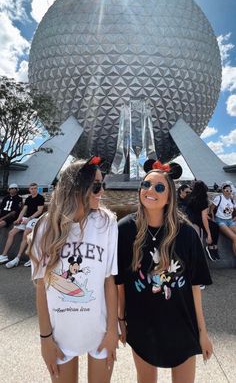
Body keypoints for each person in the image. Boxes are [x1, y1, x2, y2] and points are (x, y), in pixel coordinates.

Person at [116, 159, 213, 383]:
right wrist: (120, 320)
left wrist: (202, 332)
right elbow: (119, 281)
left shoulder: (187, 233)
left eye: (159, 187)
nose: (150, 191)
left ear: (170, 196)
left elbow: (195, 286)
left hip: (182, 324)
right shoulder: (124, 230)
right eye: (146, 185)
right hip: (142, 324)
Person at [28, 157, 118, 383]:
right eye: (96, 186)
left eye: (102, 184)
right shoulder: (45, 227)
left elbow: (109, 280)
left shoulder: (107, 222)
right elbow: (41, 286)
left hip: (99, 331)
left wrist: (111, 330)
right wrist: (45, 338)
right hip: (59, 335)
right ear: (76, 187)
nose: (102, 191)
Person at [0, 183, 45, 267]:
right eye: (31, 189)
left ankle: (18, 257)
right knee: (11, 233)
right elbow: (23, 210)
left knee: (26, 233)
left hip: (35, 219)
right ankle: (4, 255)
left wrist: (29, 219)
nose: (33, 190)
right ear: (29, 190)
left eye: (35, 188)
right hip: (26, 218)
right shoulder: (28, 199)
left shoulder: (40, 198)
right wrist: (18, 219)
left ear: (37, 189)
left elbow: (39, 211)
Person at [186, 180, 220, 261]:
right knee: (214, 227)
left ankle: (214, 246)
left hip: (190, 217)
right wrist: (209, 235)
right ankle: (211, 246)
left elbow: (195, 210)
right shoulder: (203, 200)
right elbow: (204, 218)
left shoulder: (190, 196)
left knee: (214, 226)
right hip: (197, 219)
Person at [209, 182, 236, 255]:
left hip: (230, 221)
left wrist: (234, 218)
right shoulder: (219, 198)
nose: (229, 192)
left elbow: (234, 209)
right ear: (223, 191)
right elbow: (211, 208)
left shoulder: (231, 199)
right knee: (234, 238)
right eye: (227, 190)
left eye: (230, 191)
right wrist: (213, 218)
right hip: (221, 220)